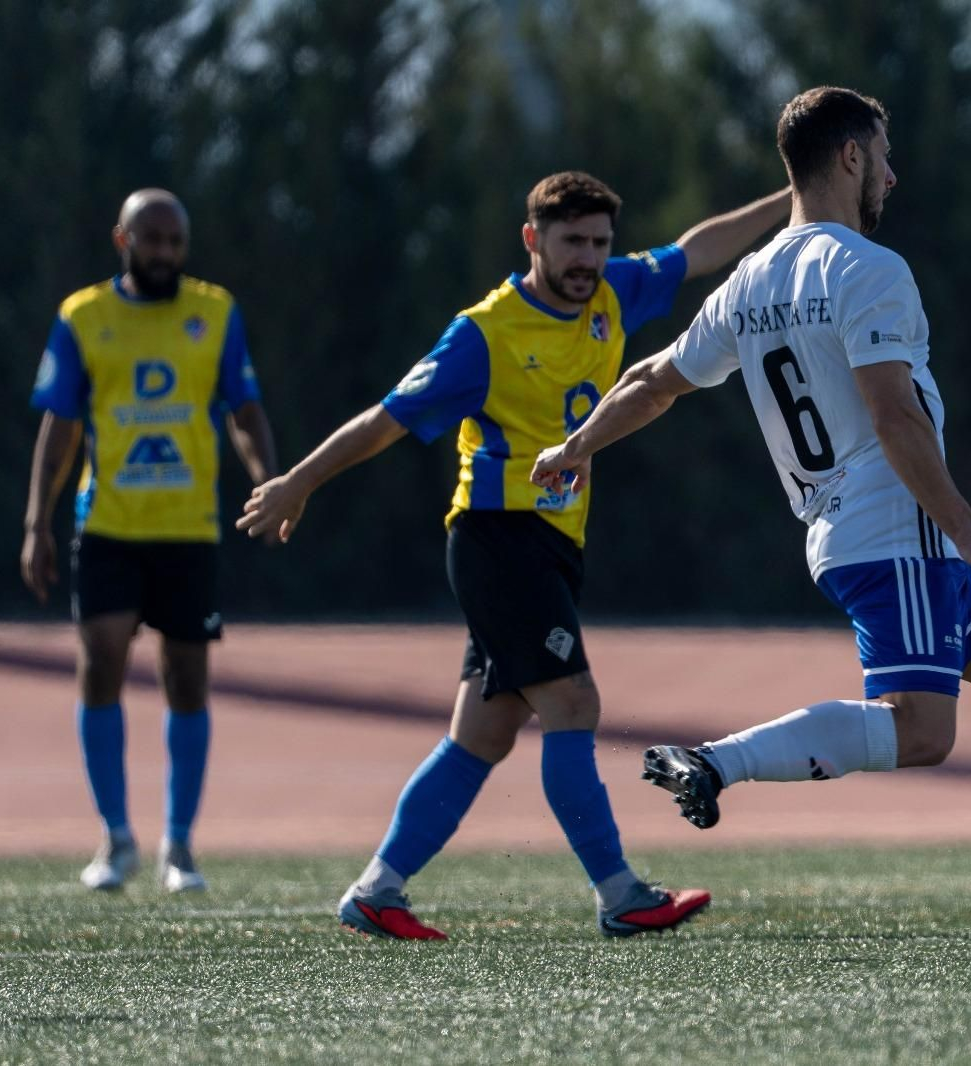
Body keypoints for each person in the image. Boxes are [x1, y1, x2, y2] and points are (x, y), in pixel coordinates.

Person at [531, 89, 971, 950]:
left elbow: (654, 381)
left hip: (848, 530)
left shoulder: (749, 282)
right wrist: (970, 534)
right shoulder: (868, 269)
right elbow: (895, 415)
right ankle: (716, 762)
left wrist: (577, 445)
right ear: (850, 157)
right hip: (897, 528)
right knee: (920, 732)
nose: (891, 176)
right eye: (883, 156)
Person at [237, 171, 790, 940]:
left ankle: (377, 890)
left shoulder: (613, 292)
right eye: (572, 242)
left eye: (599, 242)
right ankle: (621, 895)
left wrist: (790, 201)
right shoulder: (484, 333)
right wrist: (297, 482)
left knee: (485, 733)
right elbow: (386, 419)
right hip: (499, 540)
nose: (588, 258)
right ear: (532, 239)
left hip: (550, 545)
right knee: (574, 705)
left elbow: (697, 250)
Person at [22, 188, 280, 894]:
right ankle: (115, 837)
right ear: (123, 239)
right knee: (101, 661)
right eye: (151, 238)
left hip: (188, 528)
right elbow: (59, 428)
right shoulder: (83, 317)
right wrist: (37, 522)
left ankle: (180, 846)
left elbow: (244, 409)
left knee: (186, 679)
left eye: (175, 240)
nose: (164, 251)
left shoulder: (215, 312)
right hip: (108, 525)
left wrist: (271, 481)